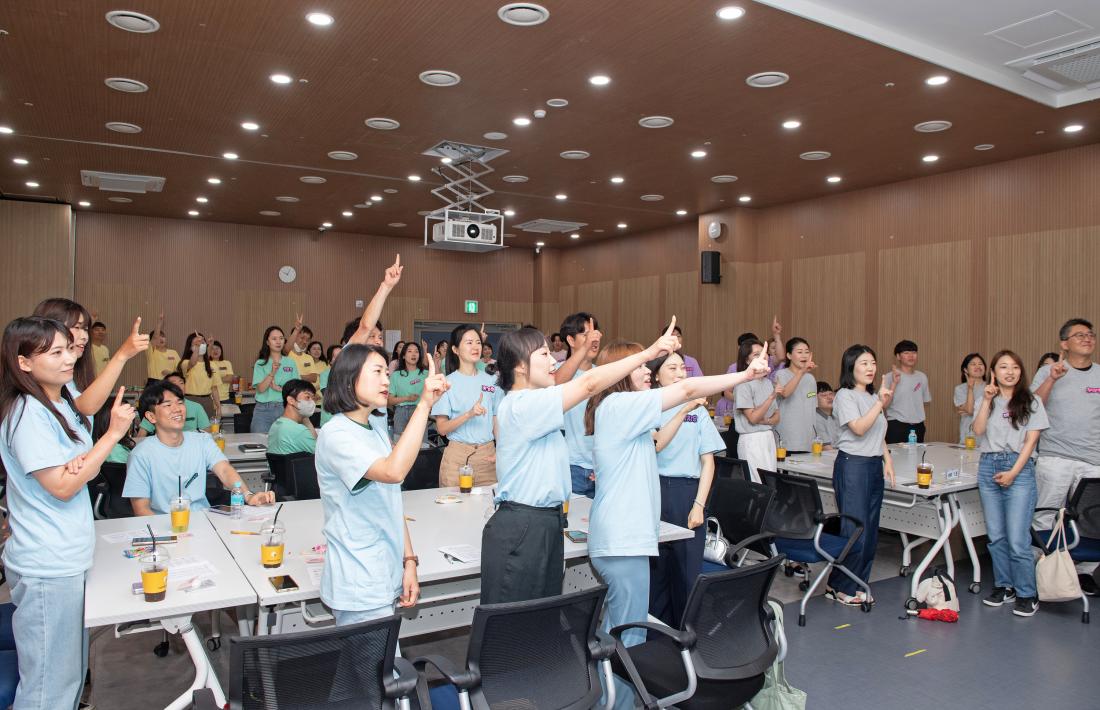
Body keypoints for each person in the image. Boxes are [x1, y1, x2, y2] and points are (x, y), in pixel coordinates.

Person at [584, 331, 769, 702]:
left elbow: (658, 441)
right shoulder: (620, 406)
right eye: (640, 365)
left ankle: (612, 698)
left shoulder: (622, 411)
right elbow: (686, 391)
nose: (648, 371)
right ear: (621, 373)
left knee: (619, 629)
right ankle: (618, 704)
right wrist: (744, 377)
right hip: (623, 540)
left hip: (624, 538)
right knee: (627, 635)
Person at [482, 322, 677, 606]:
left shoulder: (535, 402)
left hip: (543, 522)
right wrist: (646, 354)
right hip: (524, 525)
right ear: (521, 367)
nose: (552, 361)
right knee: (516, 623)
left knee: (539, 618)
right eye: (543, 355)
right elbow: (588, 384)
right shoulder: (522, 405)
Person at [0, 316, 136, 710]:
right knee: (49, 687)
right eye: (55, 352)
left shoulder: (56, 404)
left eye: (70, 350)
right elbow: (62, 485)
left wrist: (80, 465)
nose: (68, 360)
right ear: (24, 362)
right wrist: (111, 434)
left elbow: (77, 469)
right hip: (46, 564)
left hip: (65, 556)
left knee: (68, 676)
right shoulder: (27, 413)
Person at [315, 342, 447, 625]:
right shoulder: (335, 434)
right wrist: (424, 404)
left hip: (384, 566)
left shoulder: (374, 425)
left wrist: (409, 560)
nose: (386, 380)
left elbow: (391, 498)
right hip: (358, 575)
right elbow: (393, 472)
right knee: (371, 667)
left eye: (387, 373)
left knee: (382, 666)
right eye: (377, 372)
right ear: (349, 380)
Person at [647, 351, 730, 627]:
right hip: (654, 489)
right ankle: (655, 636)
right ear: (656, 375)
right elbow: (656, 443)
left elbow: (708, 462)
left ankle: (685, 636)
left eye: (683, 367)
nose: (681, 372)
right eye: (672, 368)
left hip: (687, 493)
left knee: (686, 572)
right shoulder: (649, 406)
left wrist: (699, 505)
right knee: (656, 570)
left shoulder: (697, 410)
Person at [124, 379, 274, 514]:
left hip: (203, 520)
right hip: (164, 526)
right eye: (168, 405)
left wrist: (248, 496)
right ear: (151, 417)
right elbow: (141, 510)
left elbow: (224, 470)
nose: (177, 409)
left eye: (180, 402)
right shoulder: (141, 454)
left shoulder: (202, 440)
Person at [973, 350, 1048, 617]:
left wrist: (1014, 472)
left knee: (1018, 539)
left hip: (1019, 468)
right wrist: (985, 400)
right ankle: (1005, 586)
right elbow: (978, 431)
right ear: (994, 372)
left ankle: (1027, 592)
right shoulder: (987, 399)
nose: (1010, 371)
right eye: (1003, 367)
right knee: (996, 536)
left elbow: (1031, 442)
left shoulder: (1032, 400)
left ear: (1021, 371)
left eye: (1015, 367)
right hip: (988, 466)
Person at [1031, 318, 1100, 595]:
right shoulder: (1051, 371)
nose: (1087, 338)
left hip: (1093, 460)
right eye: (1079, 335)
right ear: (1064, 343)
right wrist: (1051, 378)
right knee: (1046, 515)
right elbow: (1032, 407)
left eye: (1091, 335)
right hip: (1055, 458)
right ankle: (1043, 570)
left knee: (1090, 519)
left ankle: (1082, 573)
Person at [827, 344, 896, 606]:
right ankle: (840, 585)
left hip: (873, 465)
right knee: (854, 528)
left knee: (870, 529)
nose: (870, 368)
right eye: (864, 363)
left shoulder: (871, 397)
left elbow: (879, 434)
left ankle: (859, 582)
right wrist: (880, 402)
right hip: (853, 465)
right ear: (851, 367)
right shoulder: (845, 396)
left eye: (873, 363)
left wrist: (887, 460)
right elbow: (858, 428)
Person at [32, 298, 149, 418]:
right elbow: (85, 407)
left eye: (85, 329)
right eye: (77, 328)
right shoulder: (34, 401)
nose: (84, 336)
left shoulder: (73, 375)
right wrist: (122, 355)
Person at [432, 325, 501, 487]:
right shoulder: (447, 383)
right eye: (469, 342)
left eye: (478, 342)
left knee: (488, 509)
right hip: (457, 458)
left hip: (487, 457)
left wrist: (501, 449)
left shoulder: (492, 381)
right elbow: (441, 429)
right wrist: (468, 414)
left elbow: (496, 419)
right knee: (454, 509)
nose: (476, 347)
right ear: (455, 349)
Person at [555, 312, 603, 498]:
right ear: (570, 340)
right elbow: (556, 384)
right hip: (570, 466)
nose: (594, 339)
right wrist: (584, 349)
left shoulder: (602, 374)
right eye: (585, 334)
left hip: (599, 466)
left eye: (596, 334)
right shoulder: (561, 371)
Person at [733, 338, 779, 482]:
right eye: (756, 354)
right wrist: (771, 398)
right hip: (752, 440)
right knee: (758, 484)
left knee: (771, 484)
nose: (763, 357)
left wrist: (765, 420)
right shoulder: (742, 385)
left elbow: (777, 416)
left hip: (768, 437)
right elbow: (752, 418)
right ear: (747, 361)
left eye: (764, 353)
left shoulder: (767, 382)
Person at [774, 337, 818, 453]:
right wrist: (801, 372)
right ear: (789, 355)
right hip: (788, 438)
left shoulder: (810, 378)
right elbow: (785, 393)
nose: (804, 356)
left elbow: (812, 403)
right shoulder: (781, 374)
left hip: (808, 439)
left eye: (807, 352)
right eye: (799, 352)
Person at [252, 326, 299, 433]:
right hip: (263, 411)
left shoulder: (290, 362)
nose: (278, 342)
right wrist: (272, 373)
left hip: (285, 408)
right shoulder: (260, 363)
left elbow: (296, 389)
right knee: (259, 444)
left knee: (285, 445)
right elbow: (261, 389)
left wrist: (280, 389)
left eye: (281, 338)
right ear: (267, 342)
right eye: (274, 339)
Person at [883, 340, 931, 444]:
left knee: (917, 458)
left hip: (918, 426)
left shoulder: (922, 377)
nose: (911, 356)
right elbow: (884, 405)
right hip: (896, 425)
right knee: (896, 459)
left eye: (914, 352)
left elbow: (922, 401)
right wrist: (894, 383)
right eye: (906, 353)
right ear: (898, 356)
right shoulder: (889, 377)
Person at [138, 372, 209, 435]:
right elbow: (141, 434)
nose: (179, 386)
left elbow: (207, 432)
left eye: (181, 383)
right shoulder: (157, 407)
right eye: (174, 384)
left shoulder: (196, 407)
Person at [267, 379, 318, 455]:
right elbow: (322, 455)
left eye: (313, 398)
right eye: (307, 397)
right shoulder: (299, 431)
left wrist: (305, 417)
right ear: (291, 400)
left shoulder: (276, 425)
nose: (312, 402)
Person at [390, 342, 429, 440]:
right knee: (399, 445)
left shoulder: (426, 374)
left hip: (419, 411)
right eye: (410, 351)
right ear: (403, 355)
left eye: (416, 352)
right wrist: (406, 398)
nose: (414, 354)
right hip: (400, 413)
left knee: (421, 445)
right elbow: (389, 400)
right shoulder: (396, 375)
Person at [180, 331, 220, 419]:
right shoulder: (185, 363)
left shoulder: (211, 365)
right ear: (190, 348)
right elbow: (193, 362)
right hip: (190, 400)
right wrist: (198, 347)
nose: (199, 345)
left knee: (208, 429)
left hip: (207, 401)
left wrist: (219, 407)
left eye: (202, 343)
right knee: (191, 429)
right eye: (195, 344)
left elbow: (214, 388)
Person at [953, 353, 987, 445]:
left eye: (980, 364)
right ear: (965, 369)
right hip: (968, 436)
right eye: (973, 364)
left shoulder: (991, 387)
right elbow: (970, 410)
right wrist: (970, 388)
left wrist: (968, 409)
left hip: (988, 437)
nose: (978, 366)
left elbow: (969, 410)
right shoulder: (960, 389)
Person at [146, 311, 180, 385]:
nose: (161, 339)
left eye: (163, 336)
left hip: (170, 383)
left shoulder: (173, 352)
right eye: (159, 337)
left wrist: (170, 374)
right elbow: (155, 337)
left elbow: (180, 371)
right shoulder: (151, 351)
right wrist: (160, 322)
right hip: (154, 383)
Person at [285, 320, 319, 384]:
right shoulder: (287, 354)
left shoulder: (309, 357)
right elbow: (286, 349)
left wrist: (297, 376)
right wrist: (296, 330)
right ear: (294, 337)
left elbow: (314, 378)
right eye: (302, 338)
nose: (305, 342)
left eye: (308, 340)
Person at [319, 345, 342, 428]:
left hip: (346, 420)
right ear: (330, 361)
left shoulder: (350, 375)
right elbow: (327, 394)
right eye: (336, 357)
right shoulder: (325, 374)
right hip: (329, 420)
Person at [814, 381, 839, 450]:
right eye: (823, 395)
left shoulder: (837, 415)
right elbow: (827, 448)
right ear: (815, 399)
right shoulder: (815, 418)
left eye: (831, 394)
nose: (829, 397)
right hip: (827, 457)